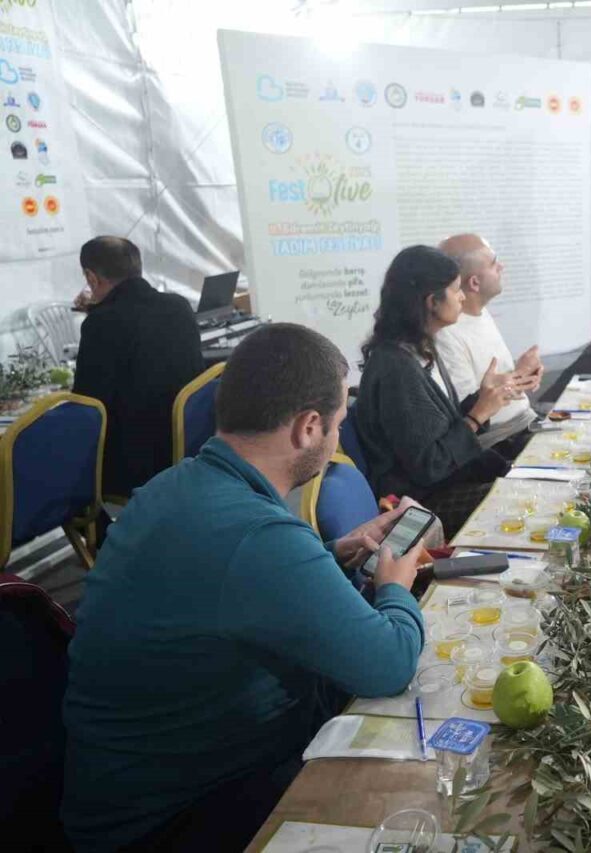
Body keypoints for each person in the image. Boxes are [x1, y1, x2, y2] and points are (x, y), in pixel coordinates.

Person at [61, 324, 427, 853]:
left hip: (129, 795)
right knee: (415, 797)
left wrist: (327, 556)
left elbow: (229, 589)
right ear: (308, 427)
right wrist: (395, 586)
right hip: (179, 820)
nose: (337, 441)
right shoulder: (258, 536)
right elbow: (390, 664)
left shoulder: (174, 486)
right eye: (338, 426)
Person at [356, 245, 521, 535]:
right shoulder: (396, 369)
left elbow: (439, 427)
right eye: (456, 290)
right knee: (521, 499)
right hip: (421, 503)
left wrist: (481, 399)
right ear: (432, 302)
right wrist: (476, 416)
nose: (462, 297)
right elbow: (430, 466)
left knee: (531, 483)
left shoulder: (420, 348)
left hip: (447, 484)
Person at [70, 236, 206, 497]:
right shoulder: (178, 306)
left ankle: (93, 522)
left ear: (91, 278)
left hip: (138, 462)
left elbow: (87, 404)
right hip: (189, 444)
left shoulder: (101, 324)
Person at [435, 233, 543, 455]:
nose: (501, 267)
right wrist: (517, 376)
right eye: (494, 264)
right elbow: (472, 410)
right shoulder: (446, 335)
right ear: (474, 283)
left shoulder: (480, 312)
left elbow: (492, 384)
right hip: (500, 440)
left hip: (524, 423)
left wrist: (522, 375)